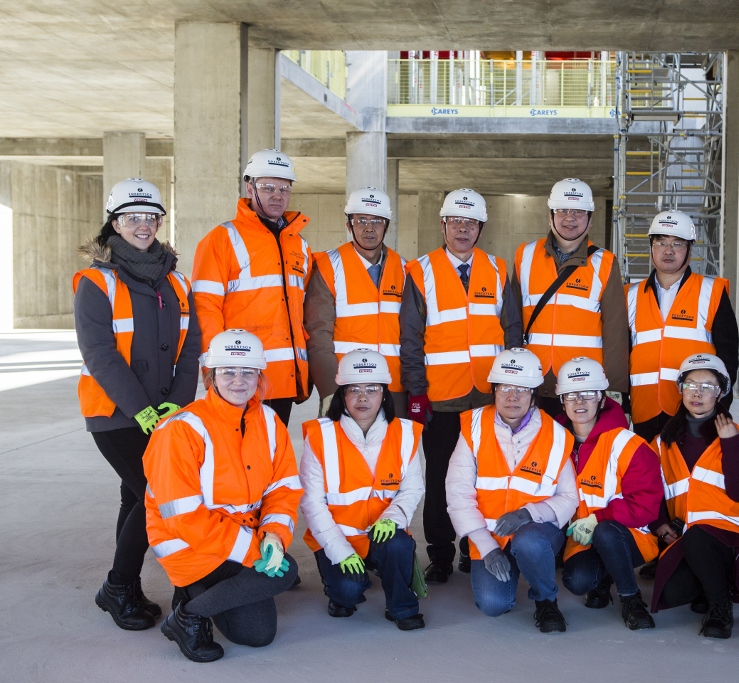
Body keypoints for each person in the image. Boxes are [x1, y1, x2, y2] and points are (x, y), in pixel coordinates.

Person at [74, 178, 201, 631]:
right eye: (133, 218)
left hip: (165, 412)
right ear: (115, 223)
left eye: (151, 218)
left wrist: (179, 403)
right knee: (155, 495)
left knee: (135, 496)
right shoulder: (96, 282)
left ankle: (125, 589)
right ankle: (116, 585)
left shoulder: (176, 280)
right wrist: (139, 408)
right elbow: (100, 353)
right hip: (114, 414)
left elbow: (191, 346)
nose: (144, 226)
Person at [143, 330, 302, 662]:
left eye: (248, 371)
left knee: (258, 635)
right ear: (210, 376)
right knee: (285, 572)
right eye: (228, 371)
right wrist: (253, 549)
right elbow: (185, 519)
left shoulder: (270, 422)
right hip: (193, 547)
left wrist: (274, 535)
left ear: (259, 376)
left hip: (240, 541)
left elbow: (283, 489)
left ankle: (194, 604)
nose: (239, 380)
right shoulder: (181, 430)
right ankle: (189, 611)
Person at [400, 189, 522, 583]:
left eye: (471, 223)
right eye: (456, 222)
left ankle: (477, 548)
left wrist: (513, 385)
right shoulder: (420, 271)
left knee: (484, 477)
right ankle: (440, 553)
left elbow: (512, 331)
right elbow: (411, 337)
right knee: (439, 479)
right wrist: (416, 392)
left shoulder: (499, 270)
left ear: (481, 228)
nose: (463, 230)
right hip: (442, 399)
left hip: (488, 398)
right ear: (443, 225)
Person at [445, 348, 578, 632]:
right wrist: (486, 546)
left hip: (536, 534)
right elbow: (458, 494)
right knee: (494, 605)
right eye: (505, 387)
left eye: (522, 389)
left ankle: (546, 601)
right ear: (493, 390)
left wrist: (529, 513)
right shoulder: (474, 427)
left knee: (529, 544)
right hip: (490, 536)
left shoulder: (556, 435)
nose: (512, 396)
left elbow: (569, 498)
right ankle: (512, 564)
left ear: (534, 393)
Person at [299, 349, 425, 630]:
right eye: (354, 389)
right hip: (337, 536)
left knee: (398, 544)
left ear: (384, 393)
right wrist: (339, 550)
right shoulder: (320, 436)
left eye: (372, 389)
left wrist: (394, 517)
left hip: (383, 532)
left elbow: (412, 488)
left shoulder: (405, 432)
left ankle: (402, 607)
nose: (363, 397)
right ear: (342, 394)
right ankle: (342, 585)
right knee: (347, 594)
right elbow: (312, 504)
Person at [192, 149, 312, 426]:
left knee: (270, 457)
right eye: (268, 187)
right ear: (250, 187)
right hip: (241, 378)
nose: (277, 195)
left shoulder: (299, 245)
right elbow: (205, 308)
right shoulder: (222, 239)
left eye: (284, 188)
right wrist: (213, 368)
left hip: (284, 378)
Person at [648, 354, 739, 639]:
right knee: (674, 592)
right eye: (690, 385)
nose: (697, 393)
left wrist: (730, 444)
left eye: (707, 386)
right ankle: (713, 584)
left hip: (730, 537)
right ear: (681, 389)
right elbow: (650, 490)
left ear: (721, 392)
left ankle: (721, 608)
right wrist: (659, 525)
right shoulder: (664, 441)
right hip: (685, 538)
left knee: (700, 537)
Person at [557, 358, 663, 630]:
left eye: (589, 393)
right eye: (571, 394)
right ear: (562, 401)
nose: (580, 401)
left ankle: (631, 599)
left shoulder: (628, 445)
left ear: (602, 399)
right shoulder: (556, 444)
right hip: (581, 539)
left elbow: (646, 505)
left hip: (629, 537)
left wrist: (600, 517)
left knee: (605, 532)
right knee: (577, 581)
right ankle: (605, 576)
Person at [513, 178, 629, 417]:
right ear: (550, 215)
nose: (570, 218)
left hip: (582, 386)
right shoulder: (525, 255)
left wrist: (616, 389)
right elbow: (512, 320)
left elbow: (615, 330)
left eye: (578, 211)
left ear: (590, 218)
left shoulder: (605, 263)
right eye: (563, 210)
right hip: (532, 381)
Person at [626, 211, 738, 441]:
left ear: (689, 249)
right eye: (661, 242)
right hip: (644, 409)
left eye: (677, 243)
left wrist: (721, 401)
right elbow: (624, 351)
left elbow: (729, 354)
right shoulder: (630, 295)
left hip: (696, 409)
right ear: (651, 247)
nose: (668, 250)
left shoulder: (712, 291)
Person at [304, 188, 407, 418]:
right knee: (342, 452)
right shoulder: (329, 266)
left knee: (392, 452)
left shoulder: (404, 269)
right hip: (346, 386)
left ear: (387, 225)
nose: (369, 228)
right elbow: (317, 333)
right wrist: (330, 390)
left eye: (377, 221)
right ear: (349, 224)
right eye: (361, 220)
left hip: (394, 387)